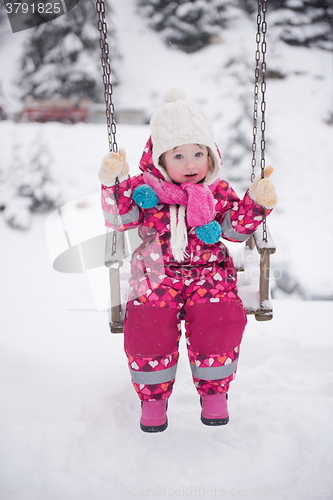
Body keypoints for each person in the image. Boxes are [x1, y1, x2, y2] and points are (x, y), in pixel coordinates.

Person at [98, 89, 277, 433]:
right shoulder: (142, 190)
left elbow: (235, 232)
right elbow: (119, 217)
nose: (192, 164)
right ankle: (152, 400)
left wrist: (256, 203)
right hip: (155, 273)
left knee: (220, 320)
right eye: (179, 156)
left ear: (211, 155)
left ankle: (214, 394)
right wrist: (112, 184)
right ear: (160, 160)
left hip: (209, 274)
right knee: (147, 328)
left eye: (199, 153)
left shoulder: (217, 192)